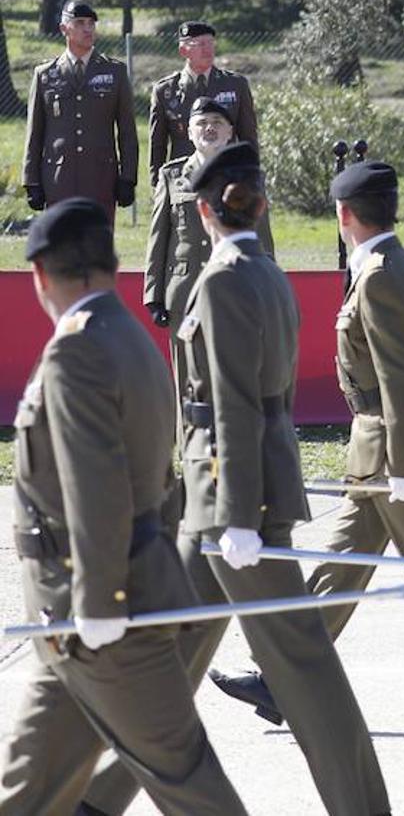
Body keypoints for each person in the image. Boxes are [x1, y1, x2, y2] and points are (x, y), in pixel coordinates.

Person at [91, 143, 391, 816]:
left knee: (303, 669)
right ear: (262, 204)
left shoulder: (225, 280)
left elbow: (232, 405)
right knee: (166, 660)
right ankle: (99, 796)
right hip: (216, 499)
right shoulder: (265, 271)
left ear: (203, 212)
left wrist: (240, 517)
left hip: (234, 500)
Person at [216, 158, 404, 741]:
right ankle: (281, 678)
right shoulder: (388, 264)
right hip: (377, 450)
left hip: (391, 451)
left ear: (343, 214)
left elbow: (398, 377)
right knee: (343, 562)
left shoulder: (381, 273)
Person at [0, 198, 249, 816]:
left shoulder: (77, 352)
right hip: (79, 623)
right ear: (111, 267)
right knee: (27, 787)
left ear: (39, 275)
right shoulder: (129, 336)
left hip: (101, 618)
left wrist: (100, 602)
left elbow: (98, 489)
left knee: (187, 780)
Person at [144, 97, 272, 343]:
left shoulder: (249, 178)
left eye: (217, 122)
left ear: (230, 132)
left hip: (236, 287)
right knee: (186, 376)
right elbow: (158, 237)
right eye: (201, 123)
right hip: (183, 291)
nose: (209, 128)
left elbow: (262, 236)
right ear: (189, 132)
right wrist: (154, 295)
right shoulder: (171, 176)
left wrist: (267, 285)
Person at [21, 0, 137, 213]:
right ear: (64, 28)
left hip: (100, 179)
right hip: (58, 180)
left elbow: (128, 131)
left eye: (91, 23)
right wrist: (31, 181)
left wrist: (128, 178)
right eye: (80, 22)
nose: (88, 28)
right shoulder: (45, 75)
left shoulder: (115, 72)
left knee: (98, 244)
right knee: (60, 245)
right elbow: (35, 132)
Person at [147, 21, 256, 186]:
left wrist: (252, 179)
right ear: (184, 51)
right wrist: (157, 184)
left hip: (227, 178)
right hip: (183, 180)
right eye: (201, 44)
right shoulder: (165, 91)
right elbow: (158, 145)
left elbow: (248, 137)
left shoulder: (235, 85)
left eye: (211, 43)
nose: (208, 49)